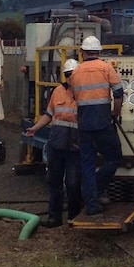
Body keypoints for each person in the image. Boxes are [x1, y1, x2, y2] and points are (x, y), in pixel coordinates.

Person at [67, 35, 123, 216]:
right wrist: (115, 113)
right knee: (114, 157)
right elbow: (119, 93)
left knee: (87, 164)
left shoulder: (75, 73)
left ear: (82, 53)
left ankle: (91, 205)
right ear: (99, 52)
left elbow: (76, 97)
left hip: (84, 125)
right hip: (102, 123)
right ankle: (99, 186)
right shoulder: (106, 68)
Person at [24, 58, 82, 227]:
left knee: (73, 183)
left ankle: (74, 218)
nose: (70, 77)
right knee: (54, 181)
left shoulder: (84, 94)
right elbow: (49, 114)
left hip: (74, 146)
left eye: (73, 74)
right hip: (57, 144)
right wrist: (35, 128)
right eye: (68, 74)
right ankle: (54, 217)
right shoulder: (57, 92)